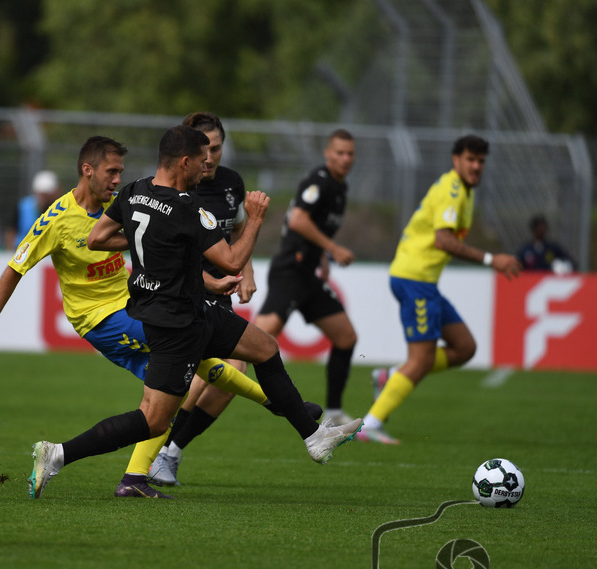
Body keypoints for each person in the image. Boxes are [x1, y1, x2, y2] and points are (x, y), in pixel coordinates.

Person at [26, 125, 362, 500]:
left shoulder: (134, 191)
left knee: (264, 347)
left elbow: (97, 238)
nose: (207, 167)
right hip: (176, 327)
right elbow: (233, 262)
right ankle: (57, 454)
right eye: (202, 161)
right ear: (183, 161)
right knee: (152, 420)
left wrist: (152, 249)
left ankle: (314, 438)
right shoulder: (189, 209)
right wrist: (254, 219)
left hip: (188, 311)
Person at [0, 135, 302, 498]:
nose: (117, 179)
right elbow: (14, 268)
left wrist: (208, 284)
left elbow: (162, 258)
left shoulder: (122, 204)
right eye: (111, 172)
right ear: (88, 170)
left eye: (121, 172)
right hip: (102, 319)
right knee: (192, 348)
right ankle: (279, 403)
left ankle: (127, 477)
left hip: (135, 305)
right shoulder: (56, 220)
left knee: (167, 399)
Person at [149, 111, 288, 487]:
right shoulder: (179, 187)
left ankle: (170, 451)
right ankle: (159, 451)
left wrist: (249, 274)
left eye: (217, 148)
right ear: (188, 153)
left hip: (220, 294)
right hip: (188, 294)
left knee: (231, 376)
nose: (209, 157)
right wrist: (209, 279)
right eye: (204, 149)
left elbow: (239, 228)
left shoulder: (231, 184)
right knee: (206, 374)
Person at [359, 135, 521, 444]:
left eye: (480, 161)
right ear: (455, 160)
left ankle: (391, 377)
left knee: (464, 347)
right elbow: (443, 240)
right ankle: (370, 424)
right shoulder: (453, 190)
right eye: (470, 159)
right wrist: (491, 259)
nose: (476, 166)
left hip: (423, 281)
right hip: (414, 278)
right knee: (420, 360)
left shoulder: (465, 192)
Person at [228, 129, 357, 464]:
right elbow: (298, 219)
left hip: (309, 276)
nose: (346, 158)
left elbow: (313, 227)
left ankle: (335, 410)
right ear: (328, 154)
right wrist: (333, 248)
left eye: (350, 153)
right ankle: (183, 434)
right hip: (290, 273)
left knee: (346, 337)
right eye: (340, 152)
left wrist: (323, 257)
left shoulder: (339, 187)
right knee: (251, 346)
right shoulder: (319, 181)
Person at [7, 170, 61, 248]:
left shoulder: (60, 209)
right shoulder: (23, 206)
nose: (44, 197)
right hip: (22, 253)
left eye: (47, 194)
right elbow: (12, 231)